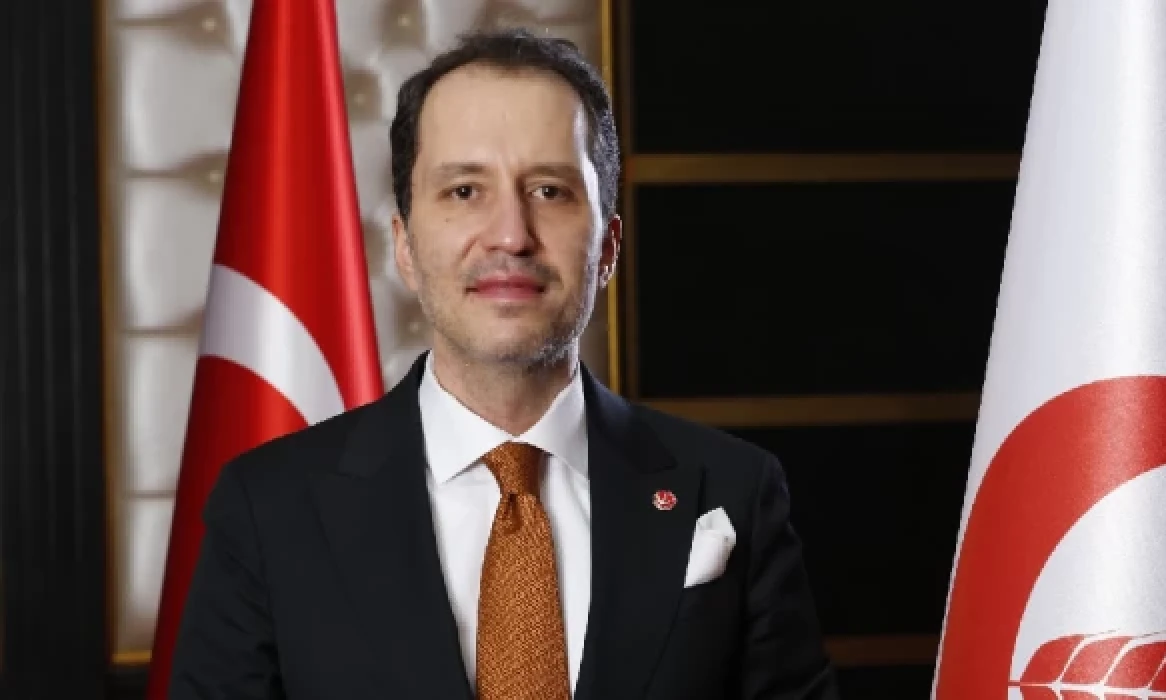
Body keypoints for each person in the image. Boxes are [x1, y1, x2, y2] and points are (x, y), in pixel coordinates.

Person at [167, 29, 839, 700]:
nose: (512, 235)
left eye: (549, 190)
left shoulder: (734, 491)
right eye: (464, 191)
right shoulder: (267, 509)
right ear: (404, 246)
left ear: (607, 247)